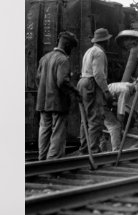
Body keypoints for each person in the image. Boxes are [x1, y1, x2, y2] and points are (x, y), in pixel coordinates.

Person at [36, 31, 79, 160]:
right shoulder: (63, 60)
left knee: (44, 130)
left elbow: (37, 79)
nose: (71, 50)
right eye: (71, 47)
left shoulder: (44, 58)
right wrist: (74, 91)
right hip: (58, 102)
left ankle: (42, 159)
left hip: (43, 102)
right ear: (67, 45)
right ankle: (52, 162)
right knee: (58, 132)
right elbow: (62, 81)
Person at [77, 28, 114, 154]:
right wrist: (106, 91)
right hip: (91, 83)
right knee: (95, 118)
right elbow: (98, 74)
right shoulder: (99, 53)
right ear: (105, 41)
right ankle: (93, 149)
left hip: (82, 82)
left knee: (85, 119)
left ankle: (84, 148)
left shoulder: (89, 51)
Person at [101, 82, 135, 152]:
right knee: (115, 126)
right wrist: (121, 124)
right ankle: (116, 152)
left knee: (101, 127)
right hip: (100, 105)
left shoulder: (124, 85)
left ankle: (101, 150)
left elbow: (115, 103)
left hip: (98, 102)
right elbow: (120, 111)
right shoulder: (126, 90)